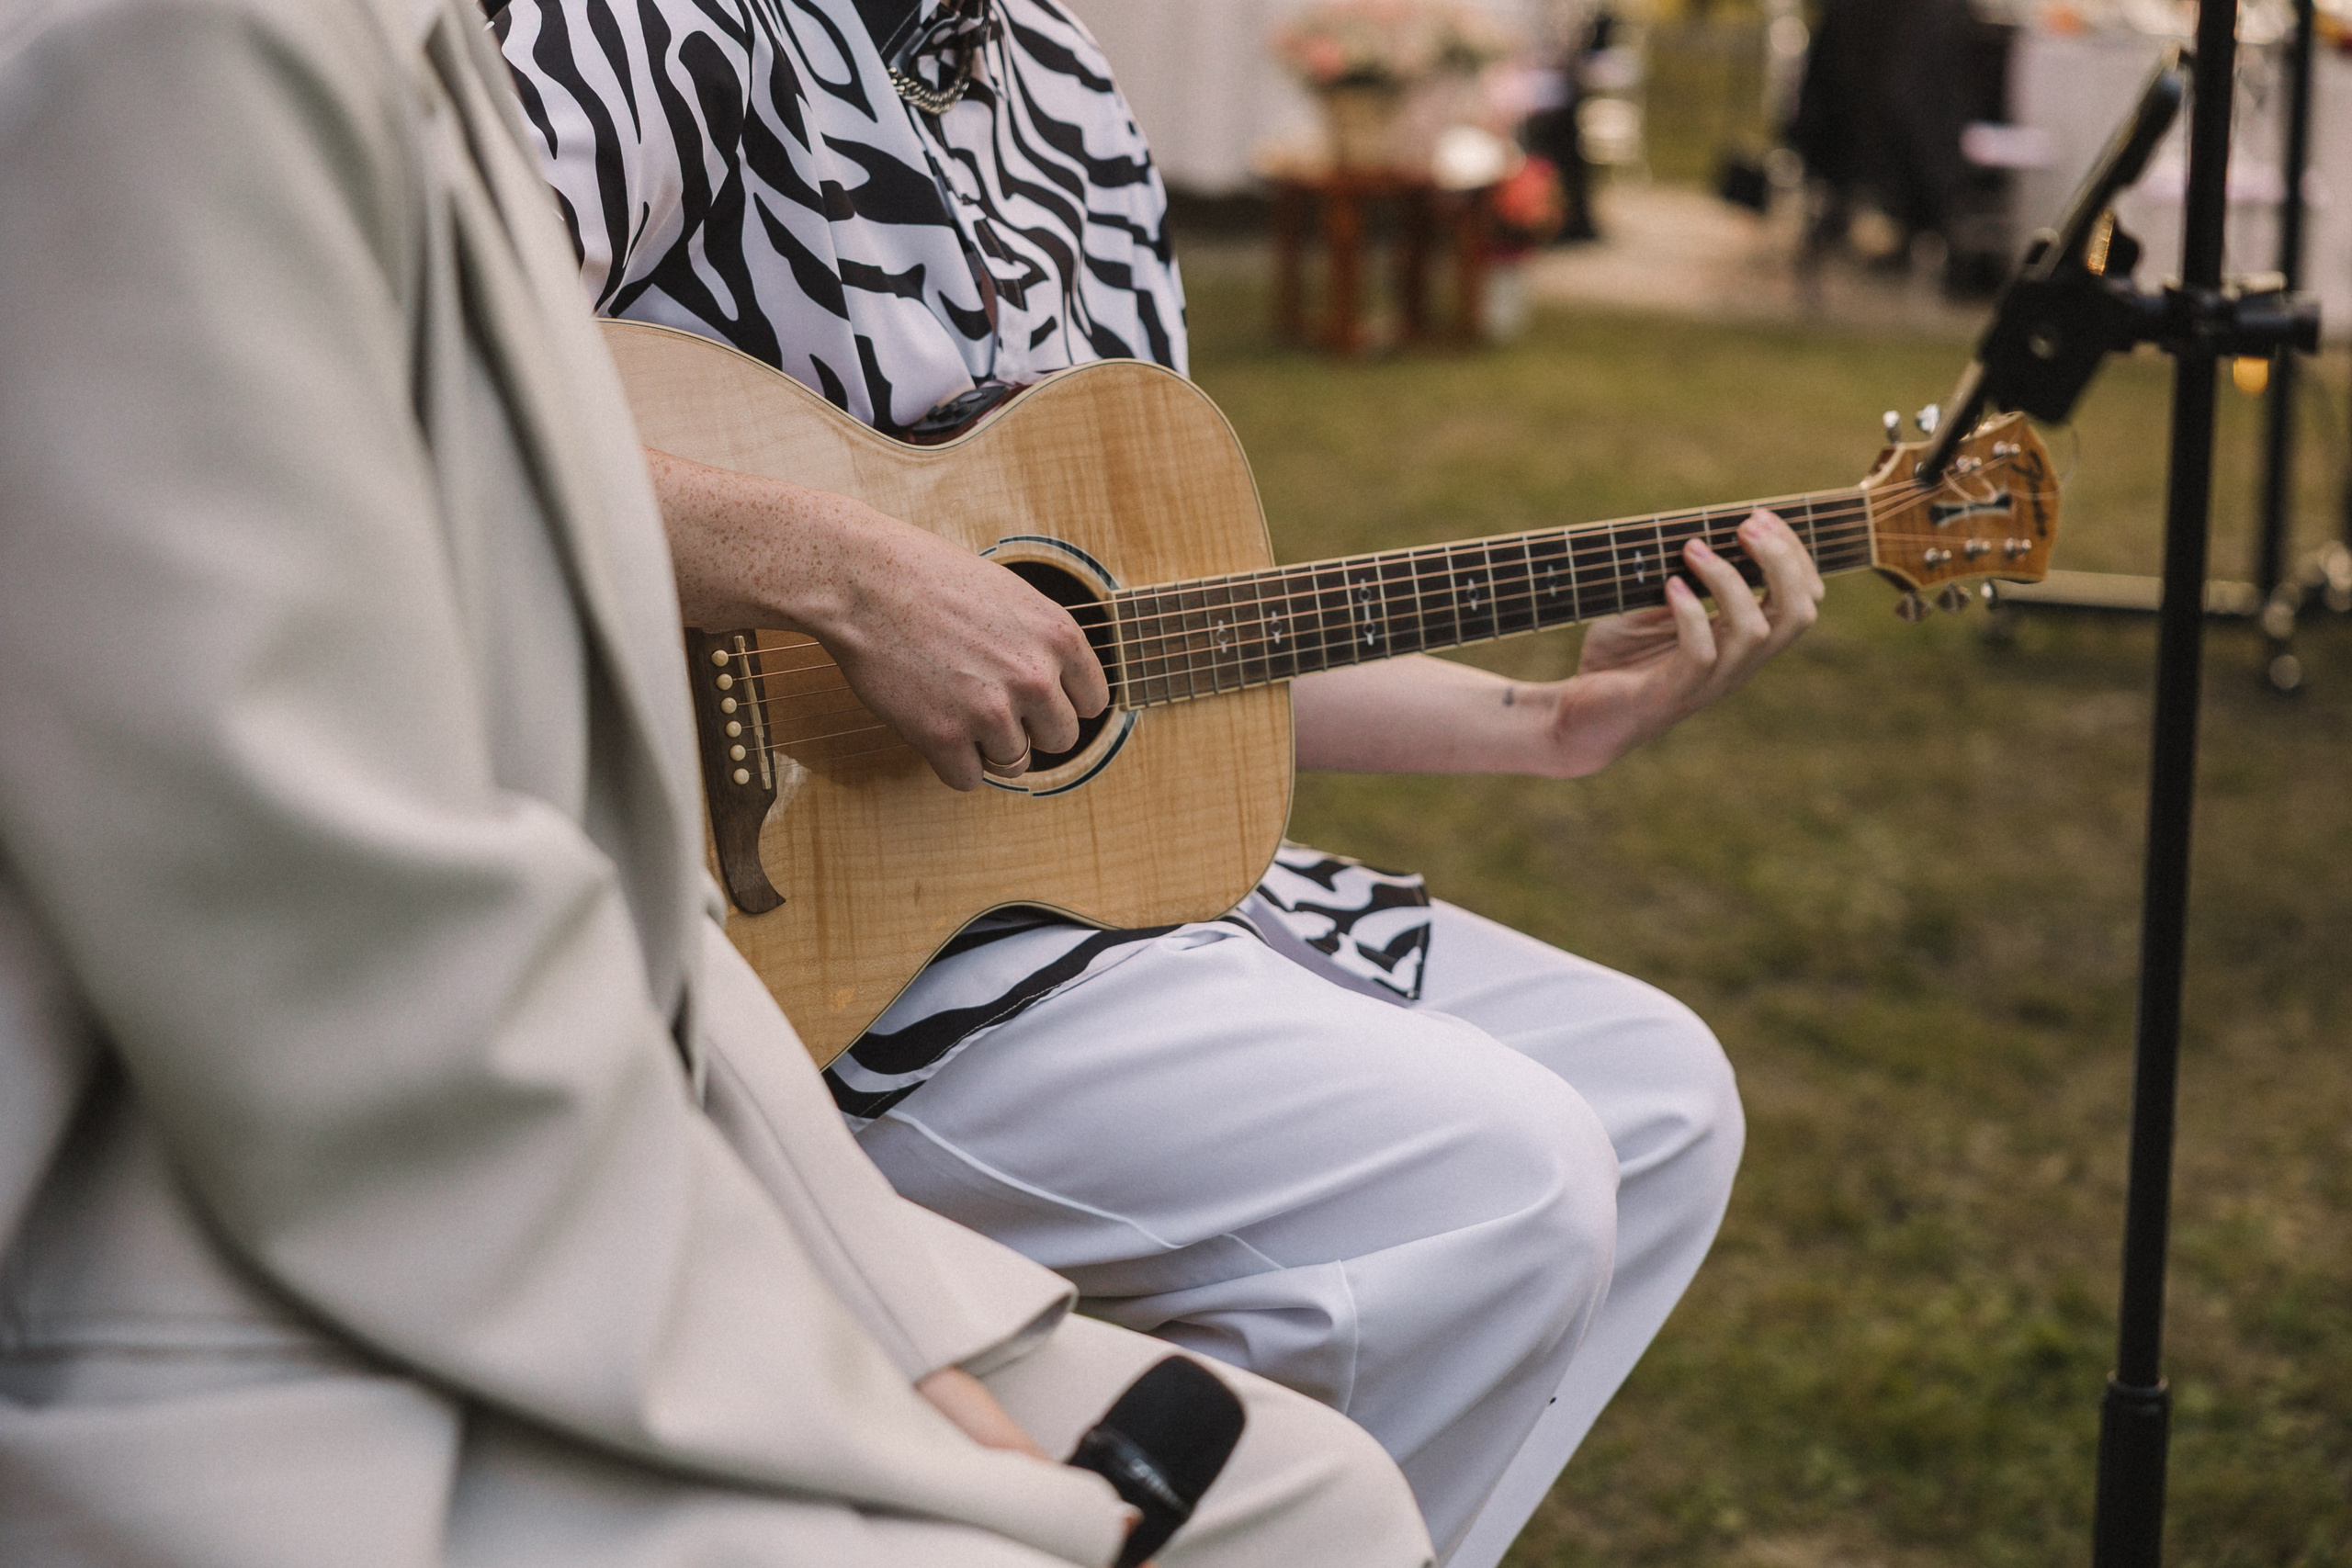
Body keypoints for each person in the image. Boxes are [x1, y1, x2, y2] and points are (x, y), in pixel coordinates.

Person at [0, 0, 1435, 1562]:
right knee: (1396, 1335)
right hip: (218, 1284)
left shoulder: (376, 40)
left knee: (1330, 1493)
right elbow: (302, 907)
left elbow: (1133, 597)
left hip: (601, 1065)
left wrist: (895, 1324)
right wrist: (855, 1359)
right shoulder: (181, 49)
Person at [497, 2, 1826, 1561]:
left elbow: (1134, 627)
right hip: (747, 939)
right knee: (1497, 1181)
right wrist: (847, 575)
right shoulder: (643, 28)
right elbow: (384, 379)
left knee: (1658, 1098)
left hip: (1037, 895)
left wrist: (1545, 724)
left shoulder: (1060, 81)